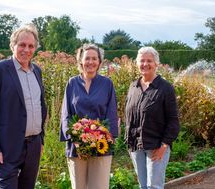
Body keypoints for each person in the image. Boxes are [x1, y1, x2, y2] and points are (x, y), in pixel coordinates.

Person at [0, 24, 47, 189]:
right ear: (13, 45)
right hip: (7, 148)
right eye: (22, 45)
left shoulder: (36, 71)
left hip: (33, 146)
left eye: (31, 46)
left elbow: (40, 106)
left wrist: (41, 140)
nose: (26, 49)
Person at [60, 43, 118, 189]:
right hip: (76, 146)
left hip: (101, 145)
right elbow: (66, 113)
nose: (90, 62)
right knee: (79, 186)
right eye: (87, 58)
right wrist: (75, 138)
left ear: (99, 62)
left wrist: (104, 138)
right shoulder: (72, 83)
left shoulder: (107, 84)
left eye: (94, 58)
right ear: (81, 61)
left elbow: (111, 113)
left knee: (98, 186)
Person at [125, 47, 180, 189]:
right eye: (142, 61)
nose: (145, 64)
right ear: (137, 64)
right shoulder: (133, 86)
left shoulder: (165, 88)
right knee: (143, 185)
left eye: (149, 61)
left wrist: (164, 145)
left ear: (156, 64)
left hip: (156, 146)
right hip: (136, 146)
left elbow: (173, 121)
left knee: (153, 186)